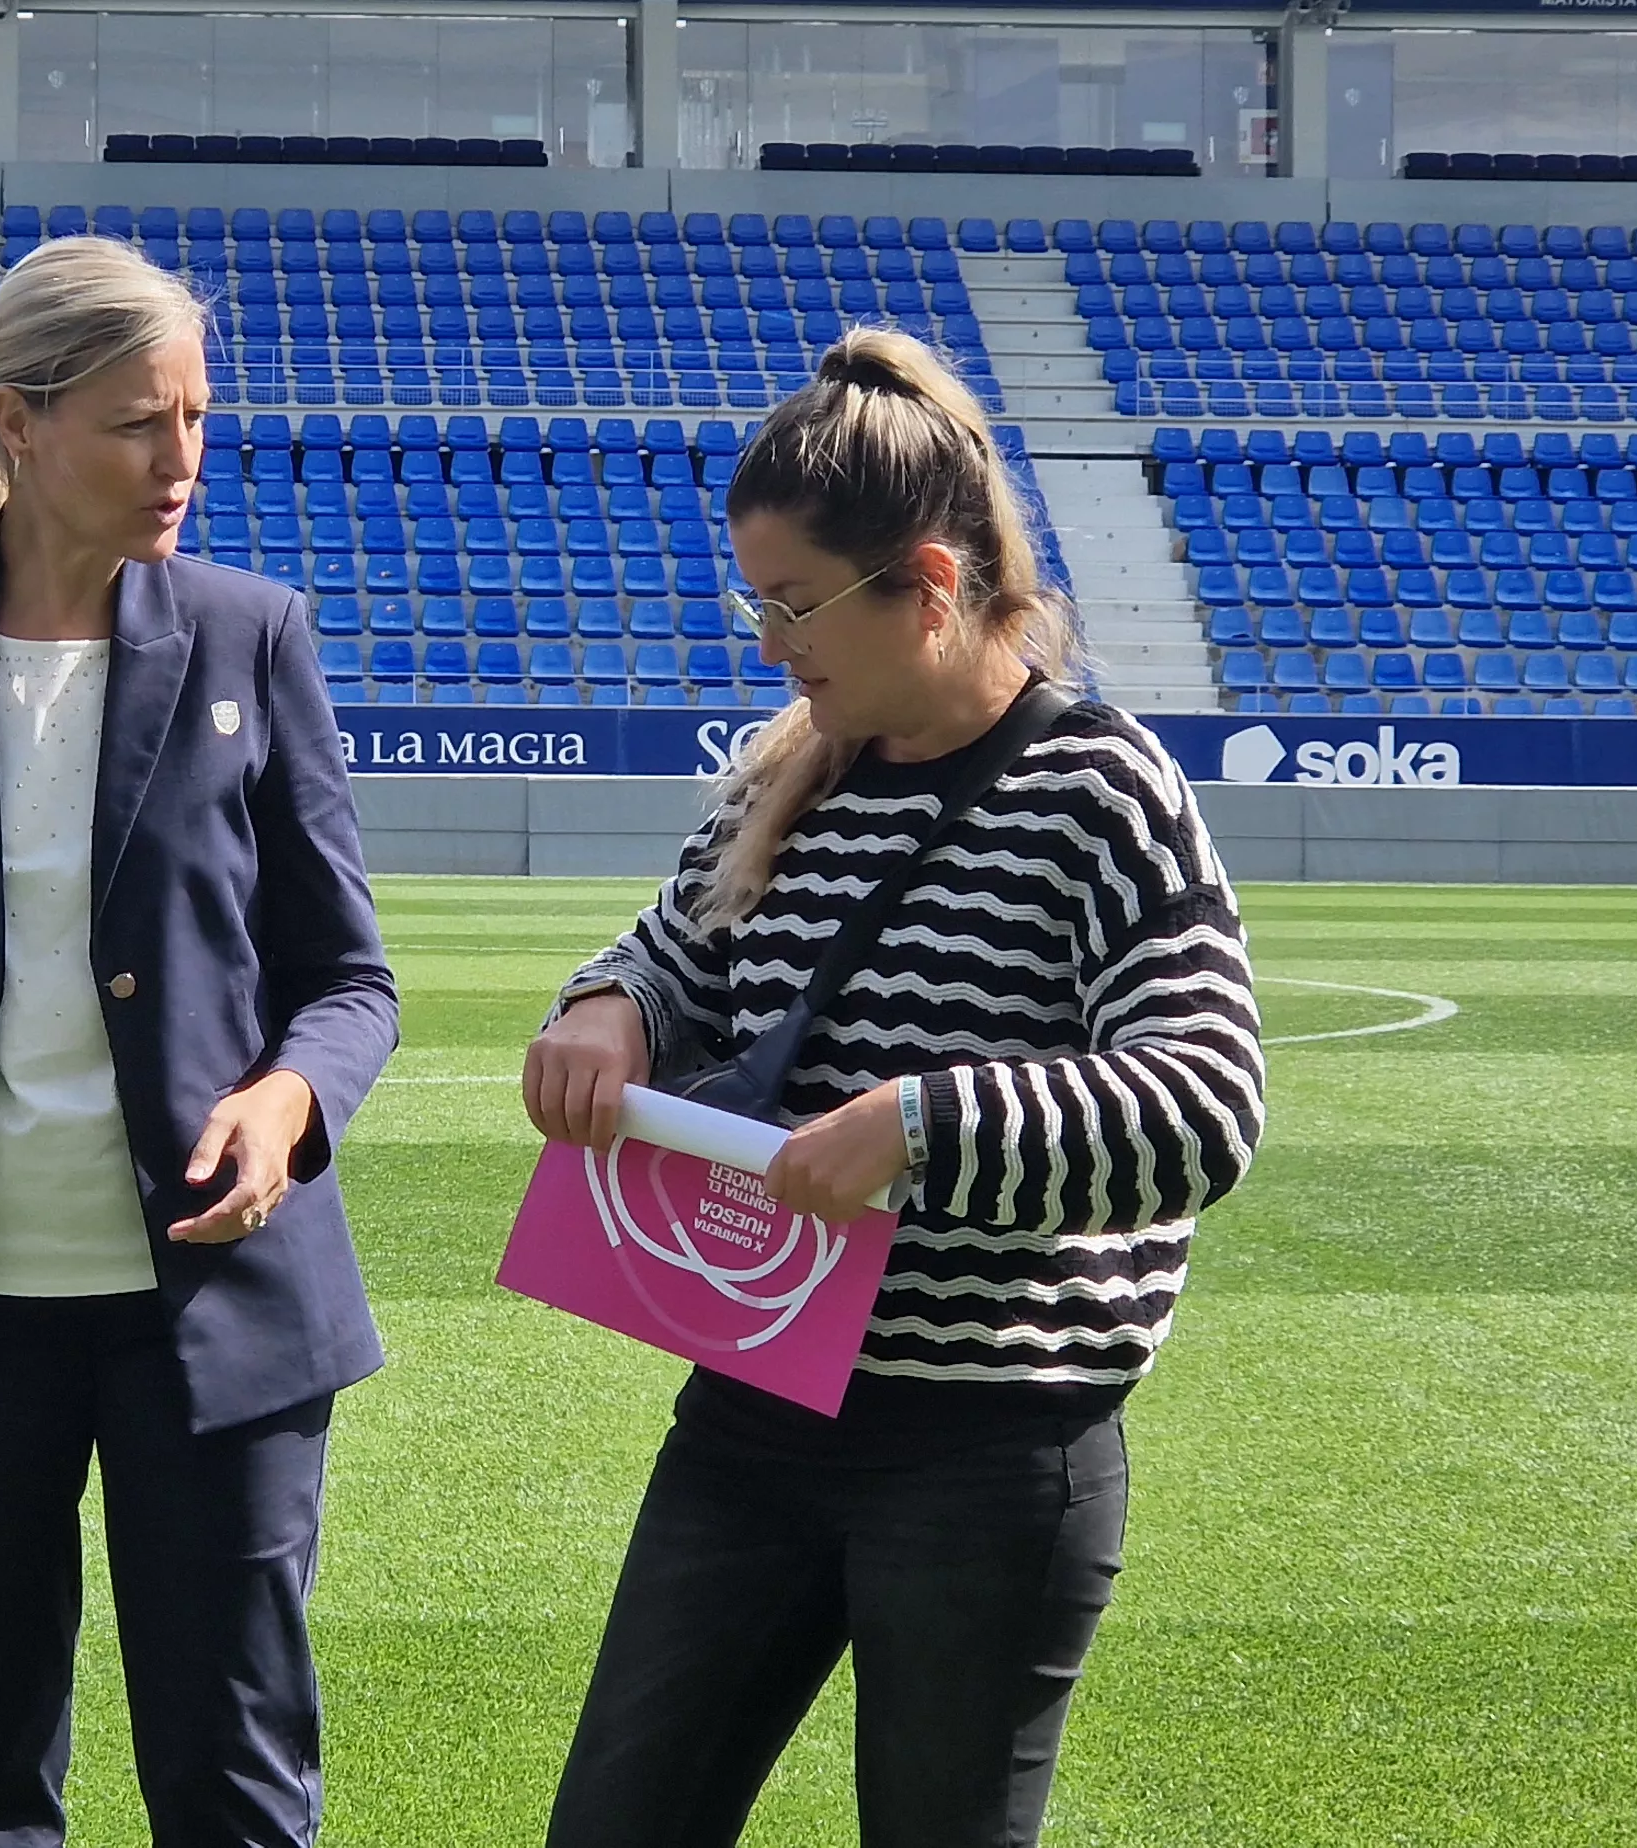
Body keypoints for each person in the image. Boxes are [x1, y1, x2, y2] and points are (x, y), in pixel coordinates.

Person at [519, 328, 1267, 1848]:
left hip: (990, 1450)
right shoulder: (787, 774)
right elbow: (680, 957)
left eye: (797, 606)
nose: (771, 644)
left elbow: (1204, 1106)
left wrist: (921, 1128)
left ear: (929, 584)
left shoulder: (1102, 795)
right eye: (758, 603)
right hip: (754, 1417)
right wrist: (609, 1009)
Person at [0, 236, 398, 1848]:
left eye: (194, 415)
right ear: (18, 427)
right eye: (136, 422)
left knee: (236, 1792)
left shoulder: (258, 636)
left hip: (223, 1316)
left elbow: (350, 980)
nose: (180, 460)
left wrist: (286, 1100)